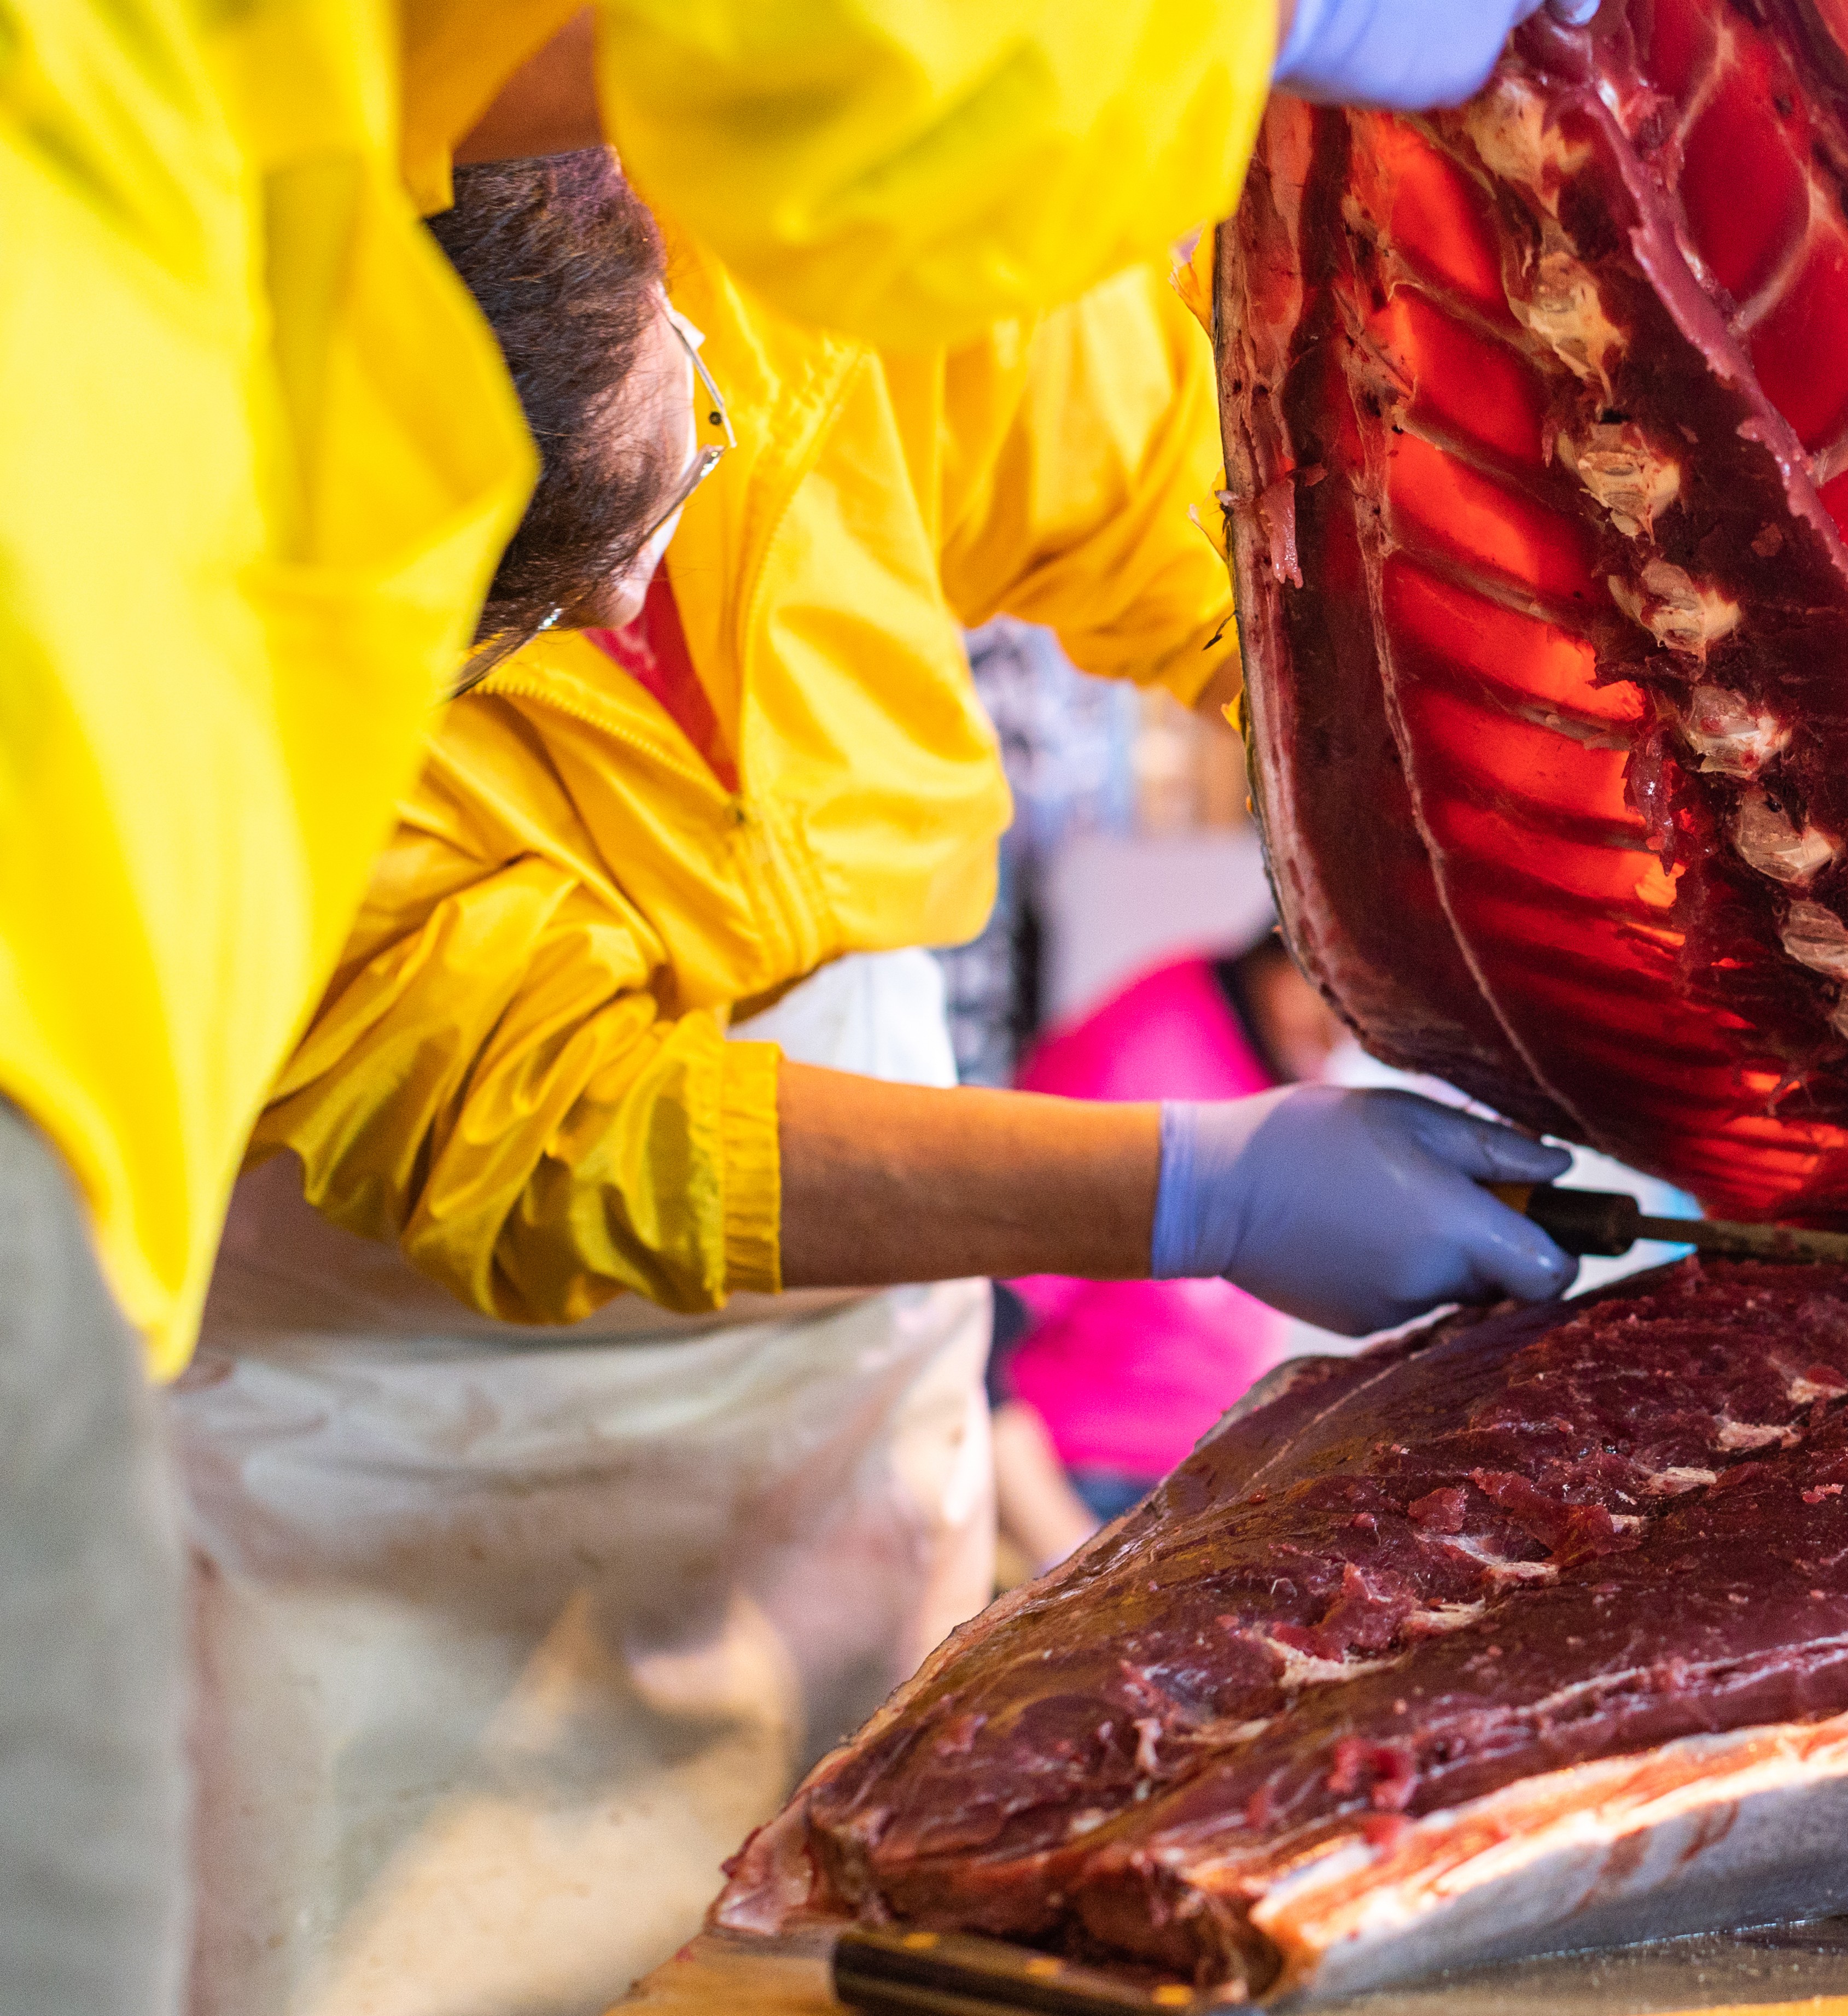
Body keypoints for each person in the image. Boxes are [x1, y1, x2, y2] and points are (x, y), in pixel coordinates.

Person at [11, 2, 1524, 2008]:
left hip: (855, 1389)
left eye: (663, 488)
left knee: (867, 1918)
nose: (621, 605)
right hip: (382, 1461)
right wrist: (1192, 1189)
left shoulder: (825, 237)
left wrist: (1488, 791)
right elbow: (539, 1121)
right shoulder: (219, 583)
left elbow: (1194, 526)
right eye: (515, 616)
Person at [989, 937, 1346, 1573]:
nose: (1342, 1044)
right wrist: (1069, 1560)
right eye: (1336, 1012)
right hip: (1087, 1485)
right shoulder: (1137, 1066)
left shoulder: (1284, 1059)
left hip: (1194, 1481)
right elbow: (973, 1342)